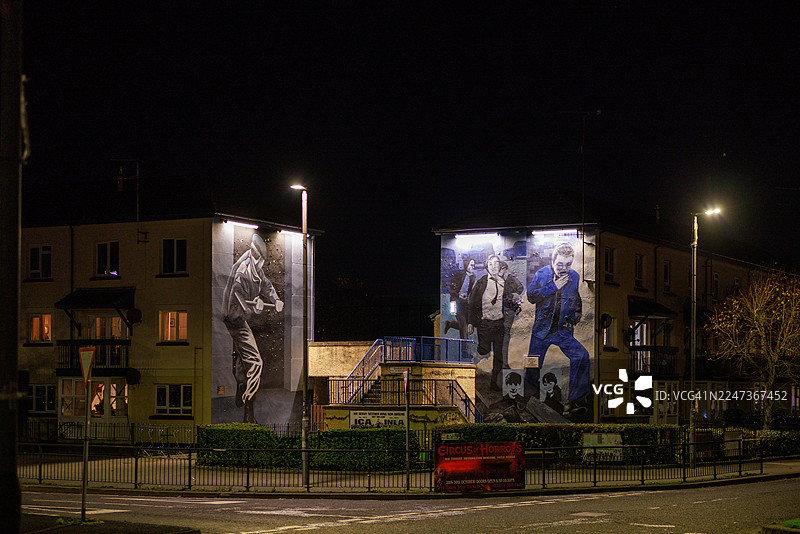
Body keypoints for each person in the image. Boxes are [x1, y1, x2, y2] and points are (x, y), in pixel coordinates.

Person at [223, 233, 284, 423]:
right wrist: (252, 306)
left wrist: (275, 299)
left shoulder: (256, 269)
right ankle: (247, 402)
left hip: (242, 318)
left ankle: (242, 387)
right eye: (261, 260)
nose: (262, 264)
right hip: (236, 319)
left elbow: (265, 284)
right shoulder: (243, 271)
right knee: (256, 363)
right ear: (253, 254)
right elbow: (237, 295)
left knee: (244, 361)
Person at [526, 243, 590, 416]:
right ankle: (525, 401)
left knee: (582, 356)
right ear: (552, 261)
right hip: (541, 331)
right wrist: (553, 287)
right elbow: (531, 296)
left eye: (568, 265)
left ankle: (574, 400)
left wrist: (577, 315)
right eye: (560, 264)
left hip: (562, 331)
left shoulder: (574, 277)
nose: (564, 269)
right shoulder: (542, 274)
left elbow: (576, 297)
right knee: (532, 366)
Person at [468, 255, 507, 390]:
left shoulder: (503, 282)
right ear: (487, 267)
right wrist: (471, 322)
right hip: (485, 323)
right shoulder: (482, 282)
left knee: (498, 354)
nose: (494, 267)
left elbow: (510, 298)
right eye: (491, 264)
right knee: (483, 350)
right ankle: (477, 376)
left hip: (499, 324)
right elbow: (472, 302)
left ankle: (494, 382)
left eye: (496, 264)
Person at [499, 260, 523, 371]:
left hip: (508, 310)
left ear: (505, 269)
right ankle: (502, 363)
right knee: (502, 336)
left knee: (505, 336)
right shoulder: (499, 280)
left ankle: (504, 363)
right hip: (501, 311)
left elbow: (520, 288)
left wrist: (516, 294)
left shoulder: (511, 279)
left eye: (500, 270)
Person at [444, 258, 476, 339]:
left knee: (466, 325)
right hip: (456, 302)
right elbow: (452, 289)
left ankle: (451, 324)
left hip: (465, 303)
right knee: (464, 327)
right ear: (466, 264)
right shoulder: (459, 274)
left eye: (473, 265)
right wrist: (458, 296)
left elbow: (470, 290)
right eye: (471, 264)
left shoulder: (473, 277)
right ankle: (465, 349)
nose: (473, 267)